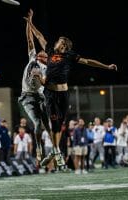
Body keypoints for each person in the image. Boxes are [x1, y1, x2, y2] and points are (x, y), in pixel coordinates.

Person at [24, 9, 117, 167]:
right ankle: (57, 151)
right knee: (54, 125)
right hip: (50, 93)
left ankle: (55, 151)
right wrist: (30, 22)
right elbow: (39, 36)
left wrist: (107, 67)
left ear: (64, 45)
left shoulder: (70, 55)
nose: (56, 42)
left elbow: (88, 61)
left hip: (63, 94)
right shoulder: (50, 51)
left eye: (59, 41)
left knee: (59, 125)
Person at [18, 9, 53, 164]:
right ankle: (39, 148)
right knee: (37, 123)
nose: (39, 54)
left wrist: (40, 77)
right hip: (27, 96)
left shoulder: (48, 68)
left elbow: (47, 84)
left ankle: (55, 150)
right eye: (39, 53)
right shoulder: (33, 57)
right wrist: (28, 22)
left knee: (48, 125)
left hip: (40, 96)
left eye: (43, 54)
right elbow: (30, 39)